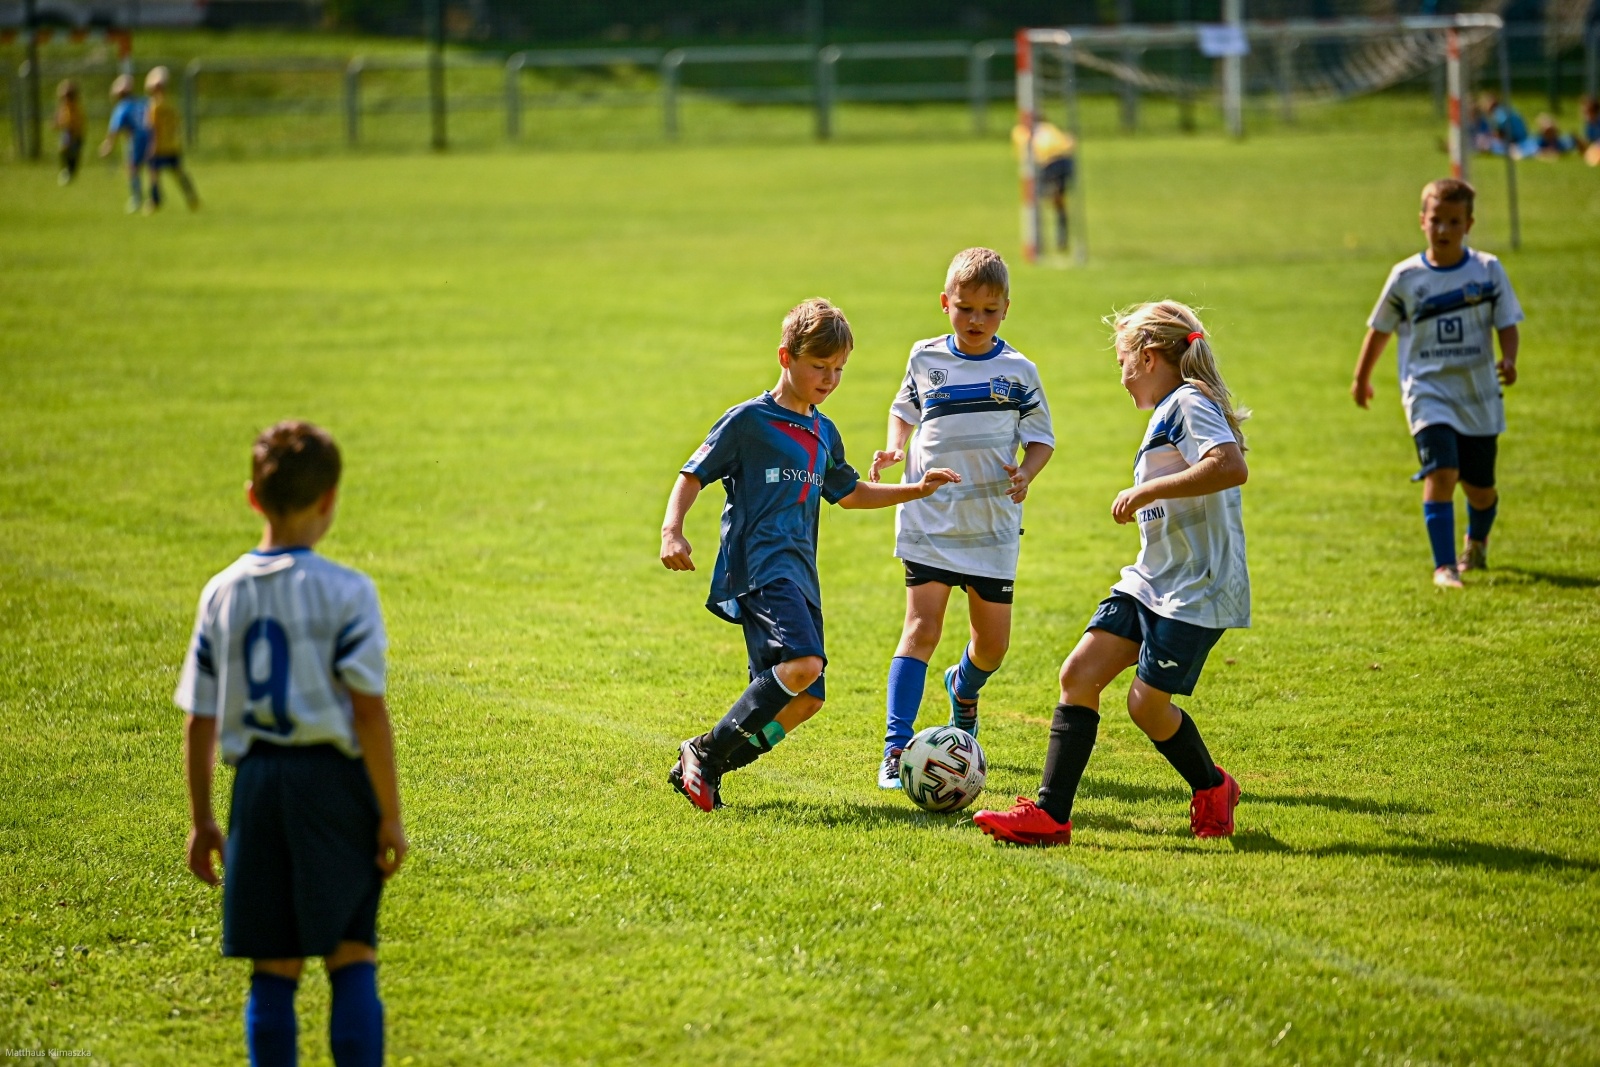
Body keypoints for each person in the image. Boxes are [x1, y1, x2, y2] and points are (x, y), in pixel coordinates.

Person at [660, 298, 960, 811]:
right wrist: (673, 530)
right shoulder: (750, 421)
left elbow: (849, 493)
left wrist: (916, 490)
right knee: (803, 663)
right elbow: (693, 473)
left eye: (839, 368)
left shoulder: (824, 432)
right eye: (819, 366)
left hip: (800, 574)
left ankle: (707, 765)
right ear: (786, 357)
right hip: (759, 567)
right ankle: (705, 754)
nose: (829, 378)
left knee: (807, 698)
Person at [972, 301, 1249, 846]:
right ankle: (1051, 816)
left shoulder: (1189, 403)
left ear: (1148, 358)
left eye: (1123, 361)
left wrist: (1145, 490)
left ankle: (1213, 786)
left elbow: (1230, 466)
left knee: (1146, 705)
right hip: (1152, 578)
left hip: (1198, 586)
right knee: (1079, 674)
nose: (1121, 375)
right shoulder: (1169, 409)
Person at [175, 420, 406, 1067]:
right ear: (330, 498)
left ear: (253, 497)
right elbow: (368, 711)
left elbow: (199, 719)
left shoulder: (221, 591)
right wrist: (388, 811)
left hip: (257, 787)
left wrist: (203, 820)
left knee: (273, 965)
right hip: (333, 783)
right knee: (351, 949)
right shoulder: (346, 591)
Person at [869, 247, 1055, 790]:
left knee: (992, 647)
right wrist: (894, 449)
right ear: (945, 303)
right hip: (930, 518)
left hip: (991, 526)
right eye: (966, 308)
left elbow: (1041, 439)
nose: (976, 320)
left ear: (1006, 310)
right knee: (921, 628)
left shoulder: (1019, 371)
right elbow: (903, 409)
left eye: (989, 311)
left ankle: (963, 688)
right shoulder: (925, 358)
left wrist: (1027, 472)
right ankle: (895, 748)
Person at [1351, 178, 1523, 588]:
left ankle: (1476, 542)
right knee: (1441, 472)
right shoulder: (1406, 277)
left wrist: (1510, 357)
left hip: (1478, 394)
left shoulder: (1486, 270)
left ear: (1469, 224)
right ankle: (1444, 567)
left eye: (1453, 221)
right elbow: (1380, 329)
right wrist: (1361, 378)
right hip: (1427, 392)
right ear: (1422, 222)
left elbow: (1508, 321)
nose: (1443, 229)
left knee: (1480, 489)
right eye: (1436, 220)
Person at [1011, 119, 1076, 252]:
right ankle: (1047, 238)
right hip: (1053, 165)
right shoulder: (1026, 131)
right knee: (1050, 203)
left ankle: (1053, 238)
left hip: (1053, 164)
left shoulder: (1041, 128)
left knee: (1048, 203)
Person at [143, 66, 200, 211]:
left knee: (154, 174)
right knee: (179, 172)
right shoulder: (170, 104)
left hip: (160, 146)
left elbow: (154, 128)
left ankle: (155, 201)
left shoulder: (154, 106)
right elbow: (176, 125)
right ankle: (191, 196)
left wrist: (152, 145)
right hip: (172, 145)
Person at [98, 74, 149, 213]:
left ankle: (137, 199)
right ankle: (153, 197)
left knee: (132, 168)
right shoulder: (141, 102)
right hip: (151, 136)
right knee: (152, 168)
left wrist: (108, 146)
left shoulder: (122, 107)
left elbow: (114, 129)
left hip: (137, 139)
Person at [53, 79, 85, 186]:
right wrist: (57, 123)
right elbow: (59, 118)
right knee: (64, 151)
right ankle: (67, 171)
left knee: (72, 154)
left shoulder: (74, 107)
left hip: (75, 134)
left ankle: (70, 172)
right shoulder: (64, 107)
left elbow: (76, 122)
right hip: (67, 132)